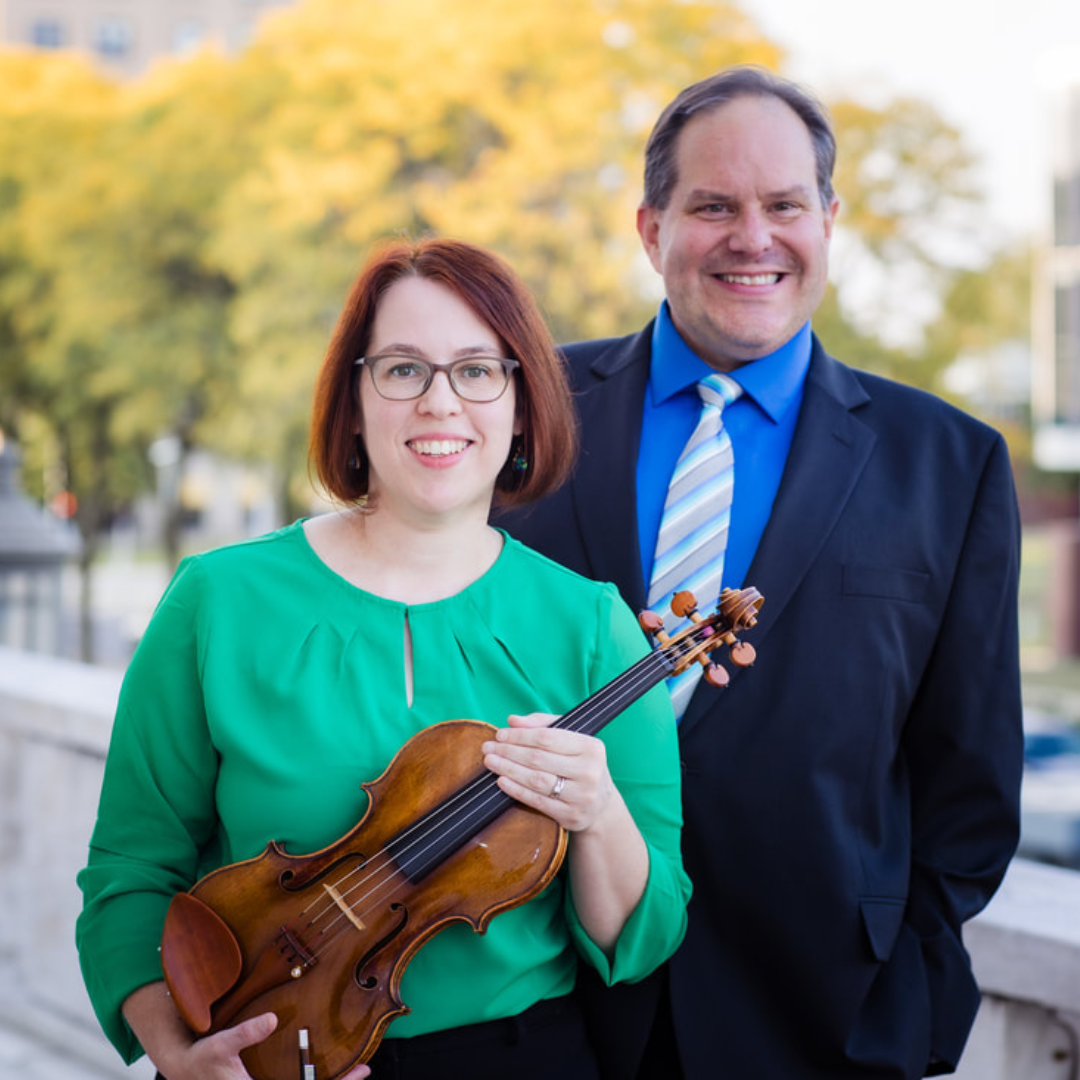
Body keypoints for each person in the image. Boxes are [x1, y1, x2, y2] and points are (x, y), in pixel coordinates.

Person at [498, 66, 1023, 1080]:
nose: (753, 237)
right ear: (650, 229)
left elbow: (972, 787)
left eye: (784, 205)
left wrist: (895, 981)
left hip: (825, 1021)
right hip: (545, 1002)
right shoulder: (520, 410)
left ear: (828, 221)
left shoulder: (950, 464)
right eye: (713, 206)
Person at [76, 237, 691, 1080]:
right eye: (403, 369)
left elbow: (642, 936)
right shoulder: (217, 601)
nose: (441, 402)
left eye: (478, 370)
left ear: (520, 403)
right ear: (354, 402)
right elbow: (130, 873)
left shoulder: (592, 625)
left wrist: (597, 811)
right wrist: (180, 1056)